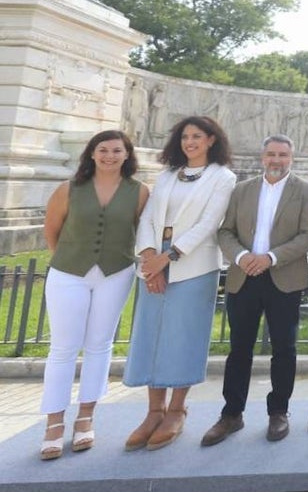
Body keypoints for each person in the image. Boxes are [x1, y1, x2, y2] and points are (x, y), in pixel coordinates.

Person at [123, 116, 237, 451]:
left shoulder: (223, 177)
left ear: (211, 140)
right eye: (185, 137)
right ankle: (153, 410)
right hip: (154, 261)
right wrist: (149, 258)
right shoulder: (168, 175)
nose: (190, 142)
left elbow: (209, 223)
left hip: (193, 263)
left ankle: (176, 409)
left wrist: (168, 257)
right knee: (151, 333)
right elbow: (147, 218)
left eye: (197, 137)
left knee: (183, 335)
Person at [38, 130, 149, 460]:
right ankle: (54, 422)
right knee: (63, 348)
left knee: (100, 345)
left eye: (117, 150)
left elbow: (142, 231)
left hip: (115, 273)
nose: (110, 156)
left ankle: (86, 417)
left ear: (127, 155)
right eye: (103, 150)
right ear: (92, 153)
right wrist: (71, 260)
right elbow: (51, 230)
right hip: (68, 272)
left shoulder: (140, 192)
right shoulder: (68, 188)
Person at [201, 135, 308, 447]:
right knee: (239, 349)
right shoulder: (242, 190)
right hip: (244, 276)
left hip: (283, 277)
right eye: (271, 154)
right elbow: (225, 231)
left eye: (282, 154)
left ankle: (279, 411)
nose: (276, 160)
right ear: (261, 157)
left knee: (284, 348)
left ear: (291, 158)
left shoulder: (306, 191)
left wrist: (271, 258)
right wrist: (242, 257)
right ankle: (231, 414)